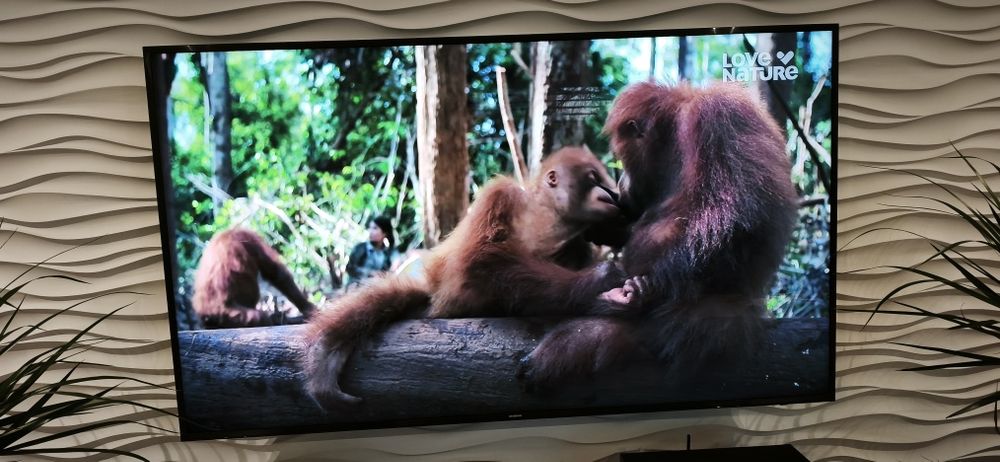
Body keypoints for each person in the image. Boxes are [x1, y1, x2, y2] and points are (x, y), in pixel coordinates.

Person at [345, 215, 395, 286]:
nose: (370, 231)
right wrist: (370, 273)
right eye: (370, 228)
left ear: (384, 233)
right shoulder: (361, 248)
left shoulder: (386, 255)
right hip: (353, 290)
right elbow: (350, 268)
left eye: (375, 228)